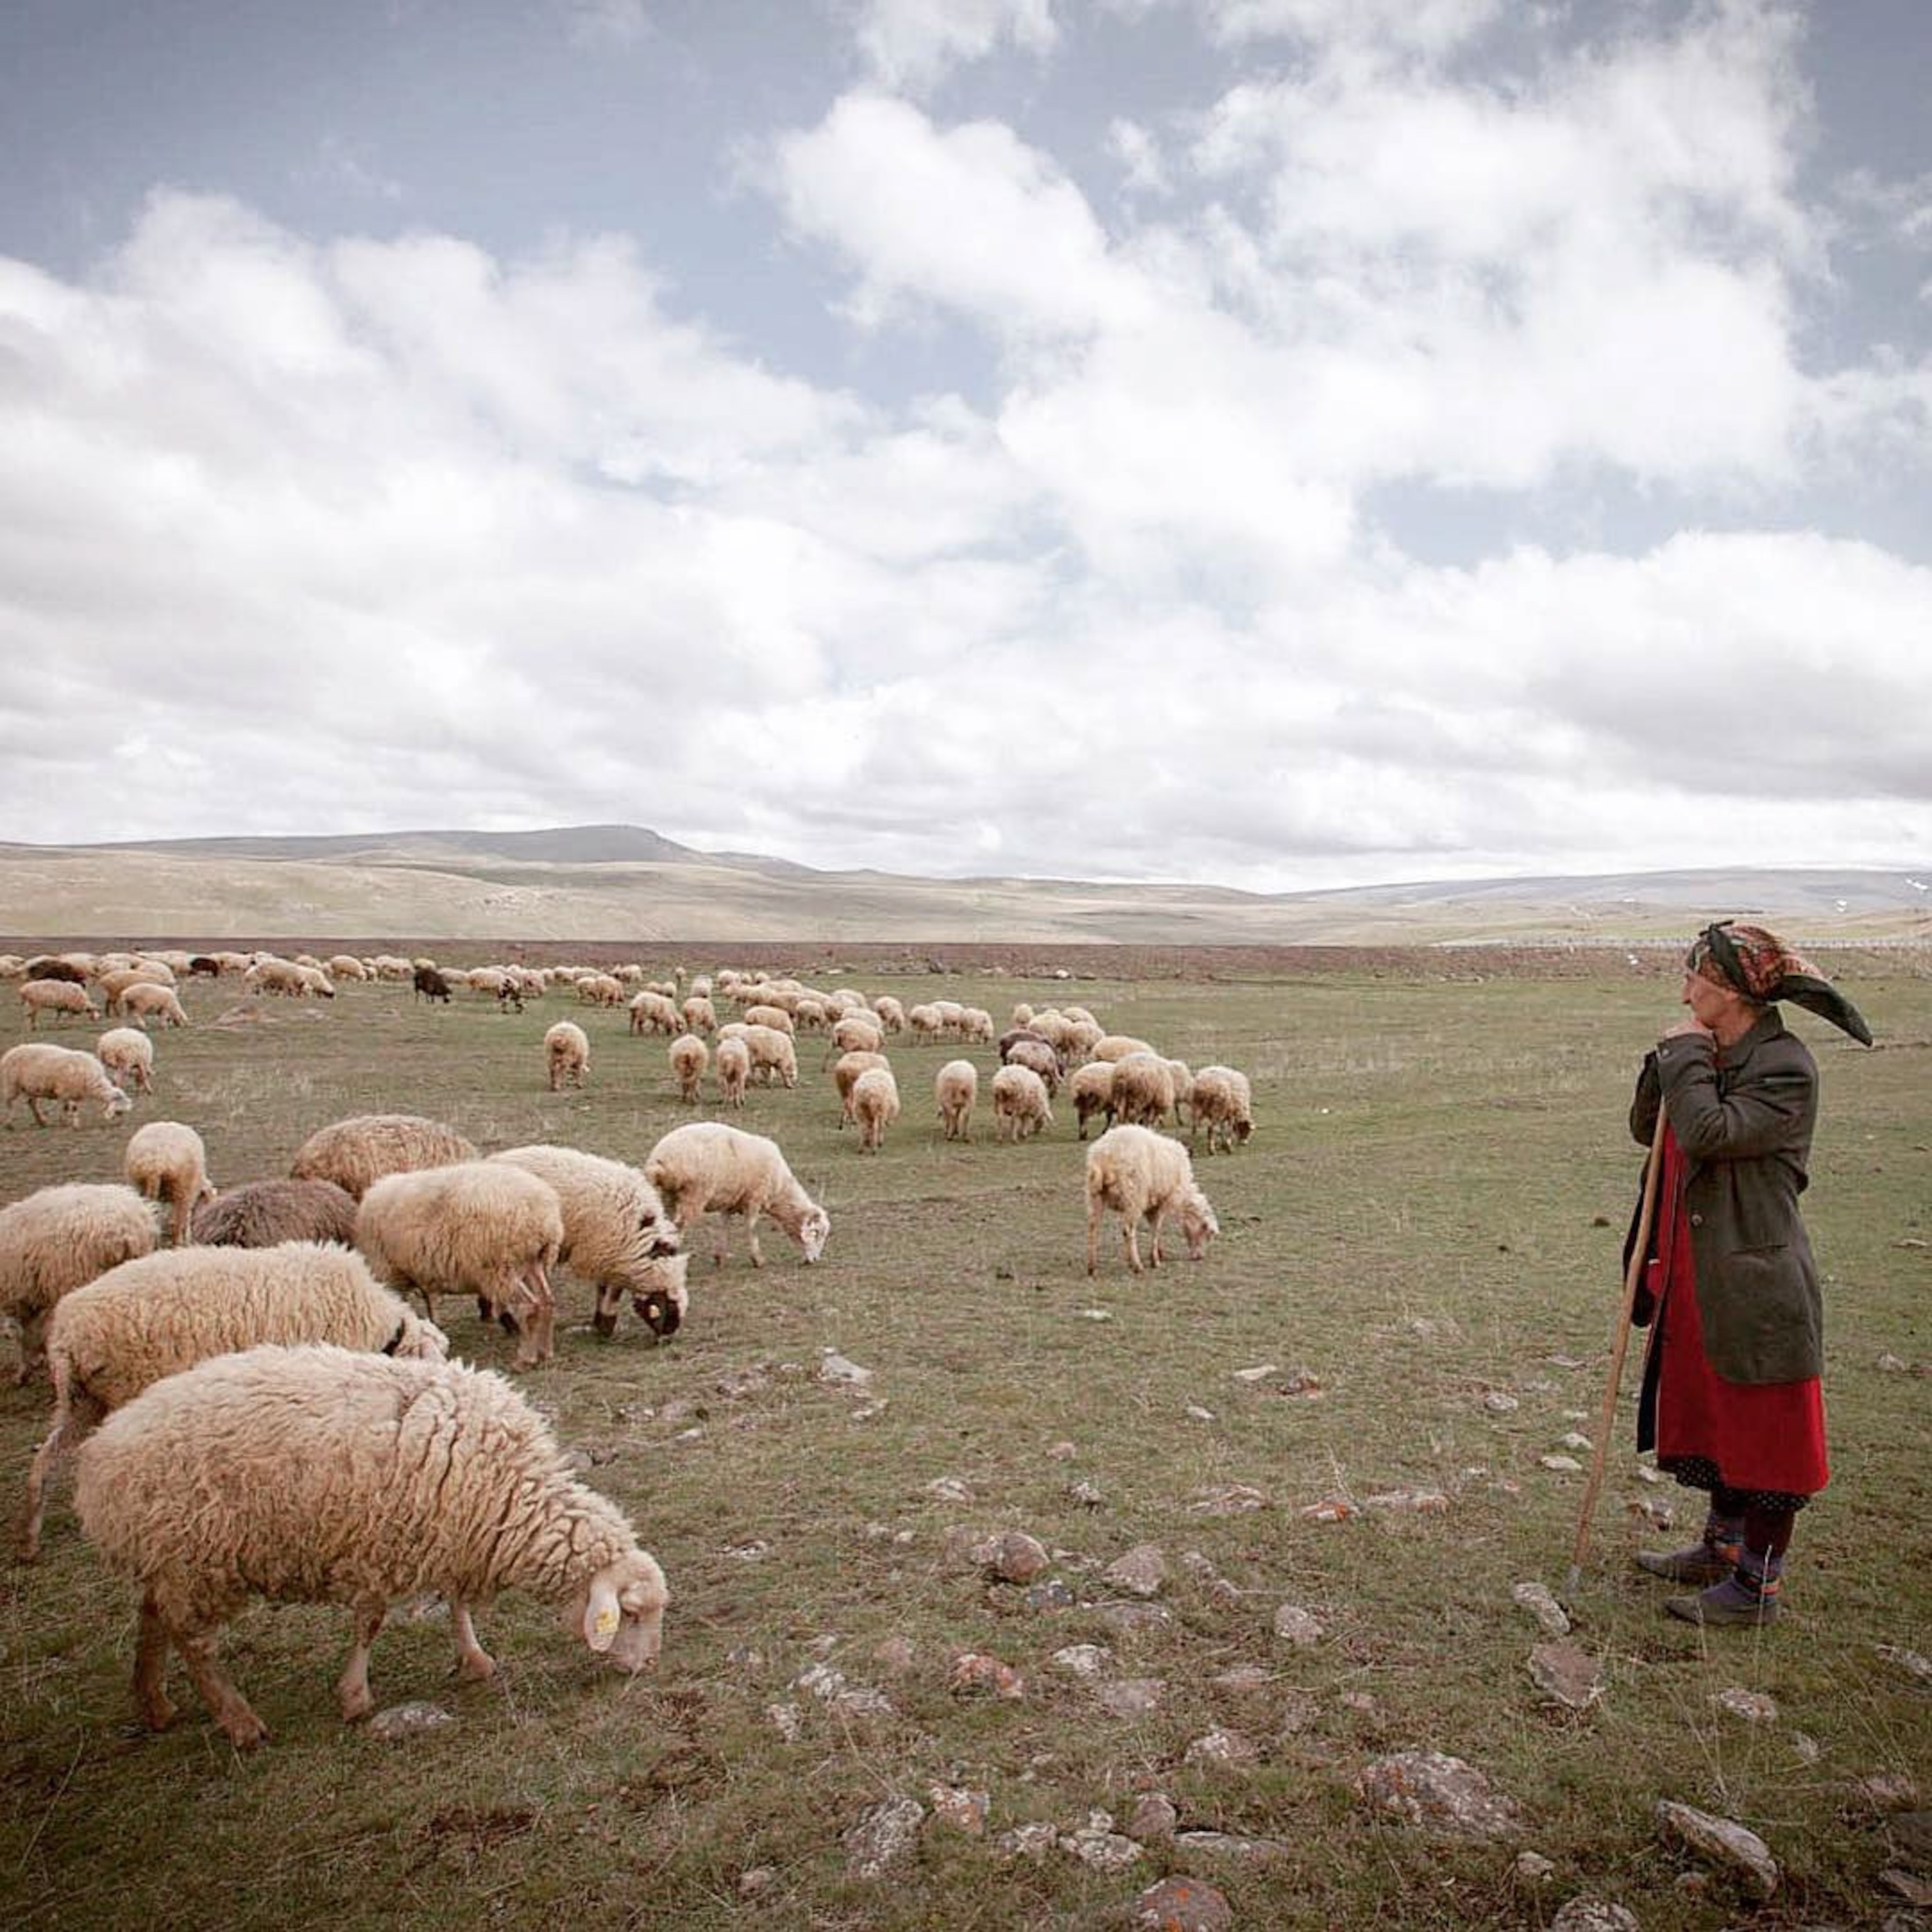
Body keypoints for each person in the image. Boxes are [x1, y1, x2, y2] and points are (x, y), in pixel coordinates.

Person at [1624, 919, 1871, 1627]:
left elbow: (1709, 1132)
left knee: (1767, 1433)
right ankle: (1721, 1548)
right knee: (1714, 1415)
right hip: (1700, 1273)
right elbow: (1651, 1129)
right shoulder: (1708, 1052)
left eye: (1696, 978)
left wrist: (1684, 1059)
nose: (1684, 990)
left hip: (1757, 1281)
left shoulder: (1785, 1067)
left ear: (1730, 991)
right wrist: (1665, 1062)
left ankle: (1757, 1588)